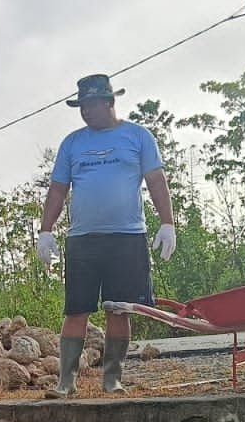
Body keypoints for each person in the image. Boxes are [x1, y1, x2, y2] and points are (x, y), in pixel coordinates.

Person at [36, 73, 177, 398]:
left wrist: (167, 222)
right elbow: (57, 190)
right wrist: (46, 231)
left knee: (119, 309)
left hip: (127, 238)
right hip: (83, 239)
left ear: (110, 102)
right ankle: (66, 382)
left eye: (91, 105)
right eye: (81, 106)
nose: (86, 111)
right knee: (76, 310)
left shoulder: (138, 137)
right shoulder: (72, 143)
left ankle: (112, 377)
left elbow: (156, 181)